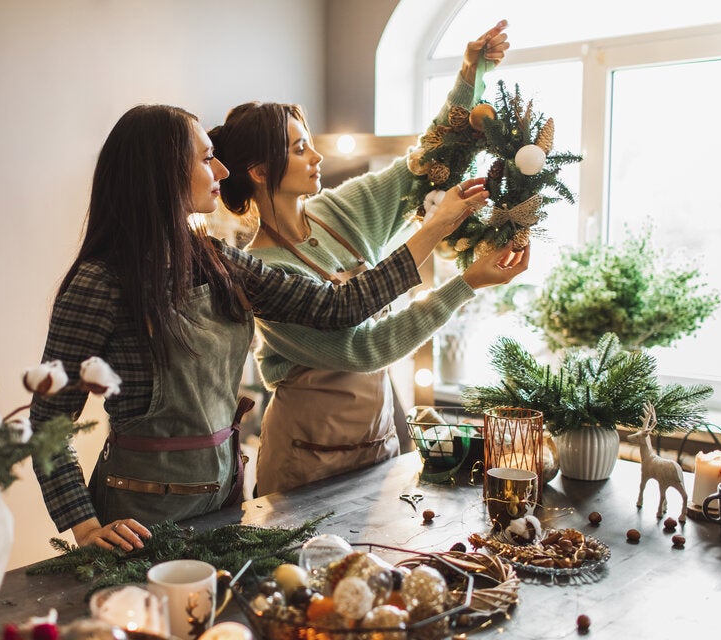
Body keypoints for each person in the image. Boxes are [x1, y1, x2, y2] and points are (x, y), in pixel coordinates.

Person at [29, 103, 517, 551]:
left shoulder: (218, 260)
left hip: (226, 501)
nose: (221, 171)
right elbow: (48, 422)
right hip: (138, 518)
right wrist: (87, 525)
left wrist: (455, 263)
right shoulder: (99, 283)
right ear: (162, 172)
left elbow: (338, 308)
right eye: (205, 159)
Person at [209, 21, 528, 495]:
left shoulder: (339, 210)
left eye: (311, 141)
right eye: (299, 149)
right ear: (258, 171)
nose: (316, 156)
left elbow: (424, 165)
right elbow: (367, 348)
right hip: (302, 462)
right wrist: (464, 283)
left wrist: (468, 77)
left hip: (376, 443)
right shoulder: (265, 273)